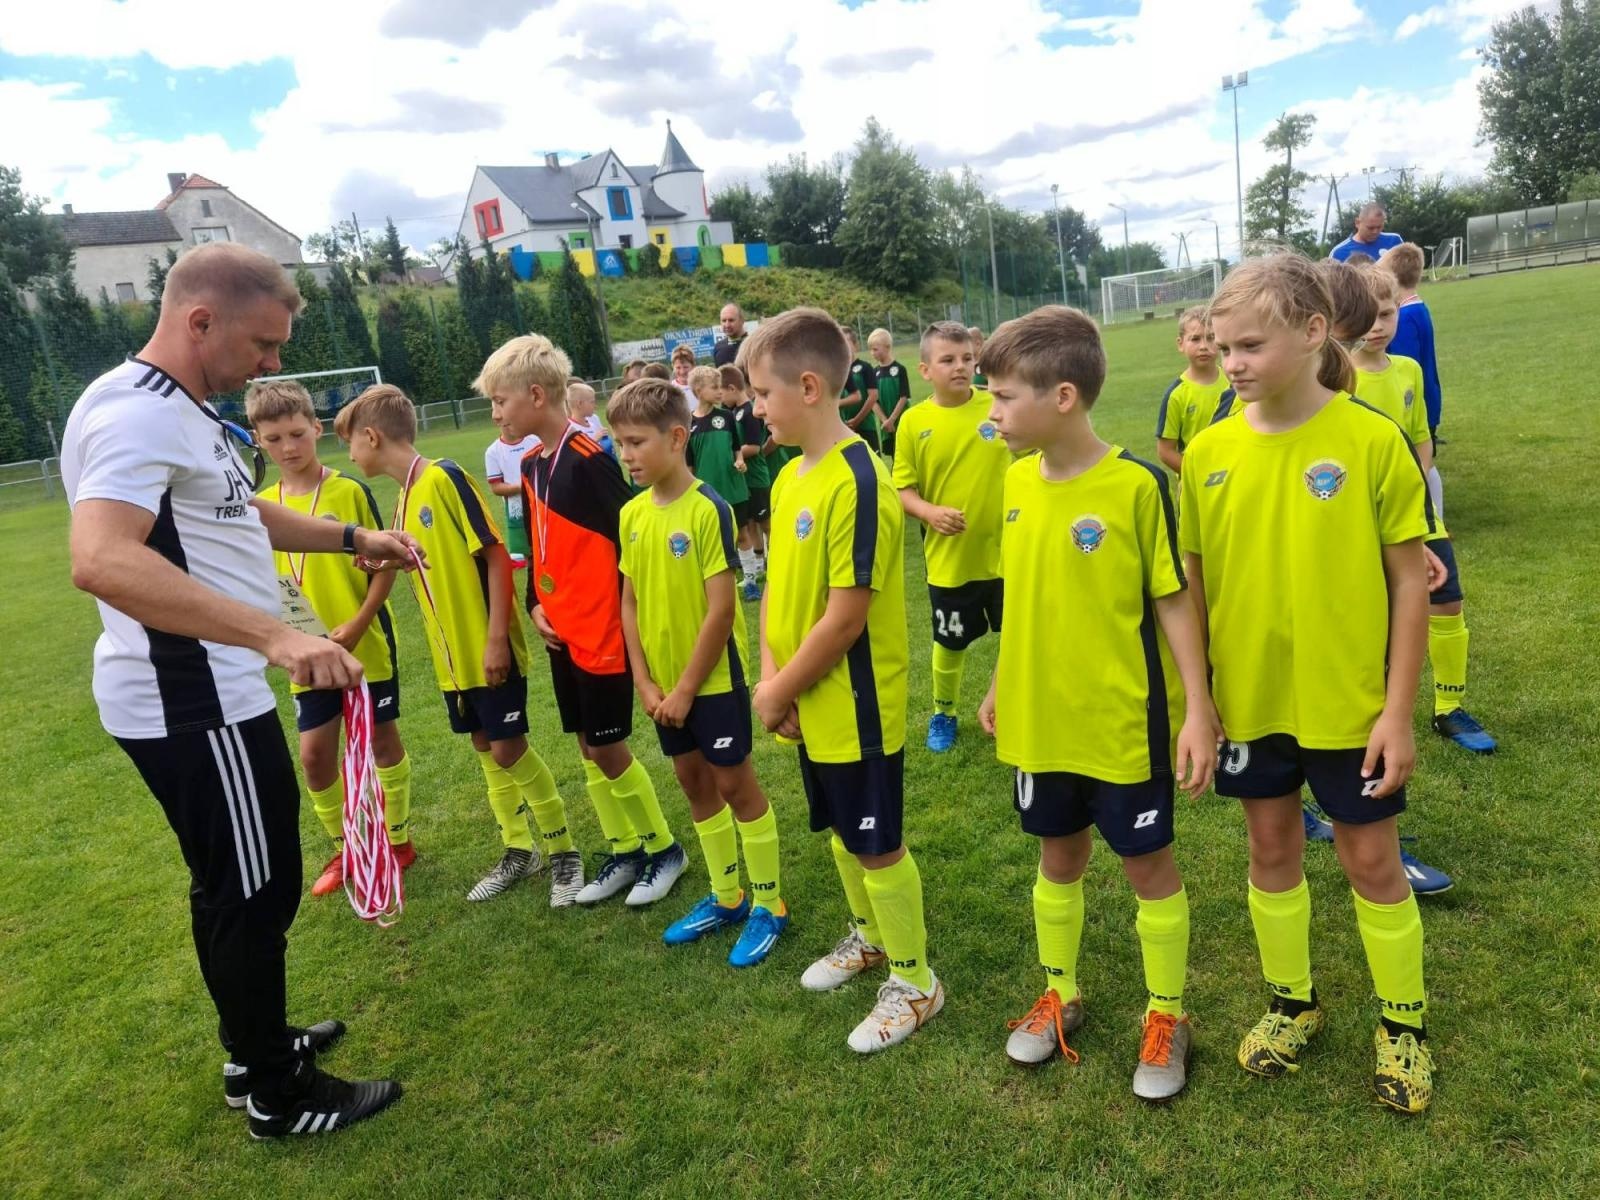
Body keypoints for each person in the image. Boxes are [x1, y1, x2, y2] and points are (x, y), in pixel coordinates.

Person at [62, 242, 409, 1139]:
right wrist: (278, 636)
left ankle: (253, 1049)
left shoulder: (184, 413)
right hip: (192, 700)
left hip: (216, 692)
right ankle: (274, 1094)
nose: (274, 364)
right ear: (199, 320)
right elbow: (101, 559)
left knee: (240, 884)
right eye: (263, 343)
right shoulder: (135, 414)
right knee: (253, 891)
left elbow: (236, 510)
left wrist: (348, 539)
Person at [1182, 254, 1436, 1114]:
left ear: (1314, 331)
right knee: (1270, 851)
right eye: (1223, 347)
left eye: (1250, 344)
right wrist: (1201, 703)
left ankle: (1404, 1024)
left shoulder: (1370, 440)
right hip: (1253, 706)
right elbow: (1195, 586)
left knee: (1371, 858)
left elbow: (1411, 581)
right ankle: (1293, 1002)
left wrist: (1398, 712)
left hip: (1351, 705)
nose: (1234, 362)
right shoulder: (1208, 454)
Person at [979, 306, 1218, 1100]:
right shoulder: (1015, 482)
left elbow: (1173, 602)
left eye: (1005, 397)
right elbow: (1024, 594)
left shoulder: (1135, 485)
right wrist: (1000, 680)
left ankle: (1168, 1014)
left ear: (1065, 396)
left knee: (1146, 864)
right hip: (1042, 719)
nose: (993, 413)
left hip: (1121, 718)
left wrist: (1198, 708)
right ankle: (1061, 993)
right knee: (1058, 856)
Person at [749, 307, 941, 1054]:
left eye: (762, 394)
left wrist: (774, 690)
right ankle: (867, 939)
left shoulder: (862, 478)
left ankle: (917, 980)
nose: (755, 409)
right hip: (805, 695)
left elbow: (847, 615)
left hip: (855, 700)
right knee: (837, 829)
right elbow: (775, 593)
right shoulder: (793, 475)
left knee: (876, 840)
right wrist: (776, 680)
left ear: (808, 387)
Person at [337, 385, 585, 906]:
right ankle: (519, 849)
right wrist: (381, 560)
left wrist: (497, 637)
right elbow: (424, 560)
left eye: (350, 443)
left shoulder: (444, 476)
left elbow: (495, 556)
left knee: (508, 746)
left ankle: (564, 851)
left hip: (485, 647)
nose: (349, 454)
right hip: (452, 662)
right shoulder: (404, 496)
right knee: (483, 746)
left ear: (372, 436)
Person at [481, 335, 690, 908]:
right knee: (584, 744)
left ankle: (664, 848)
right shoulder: (530, 462)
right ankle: (624, 848)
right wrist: (535, 604)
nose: (495, 414)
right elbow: (538, 546)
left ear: (537, 394)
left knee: (608, 745)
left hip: (601, 631)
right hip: (560, 629)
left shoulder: (590, 458)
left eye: (501, 402)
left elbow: (631, 540)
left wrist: (627, 615)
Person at [610, 377, 789, 966]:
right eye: (619, 442)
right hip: (662, 688)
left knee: (735, 784)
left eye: (636, 441)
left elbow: (721, 607)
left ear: (677, 437)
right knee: (693, 783)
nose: (627, 454)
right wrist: (644, 681)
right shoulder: (631, 514)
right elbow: (629, 601)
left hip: (709, 683)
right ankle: (726, 895)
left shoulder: (707, 507)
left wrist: (686, 687)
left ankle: (769, 903)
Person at [247, 380, 416, 899]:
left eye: (297, 433)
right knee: (316, 757)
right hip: (306, 655)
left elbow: (383, 562)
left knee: (382, 743)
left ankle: (399, 840)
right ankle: (347, 847)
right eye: (273, 439)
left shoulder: (347, 492)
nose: (288, 447)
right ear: (258, 441)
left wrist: (362, 621)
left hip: (362, 644)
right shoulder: (260, 506)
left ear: (317, 429)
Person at [1327, 265, 1496, 761]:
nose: (1379, 327)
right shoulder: (1337, 377)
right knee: (1374, 620)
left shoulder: (1408, 371)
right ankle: (1370, 714)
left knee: (1446, 600)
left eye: (1388, 314)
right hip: (1363, 516)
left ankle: (1449, 707)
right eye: (1370, 317)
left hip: (1416, 510)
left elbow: (1421, 439)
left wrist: (1414, 492)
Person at [891, 321, 1007, 753]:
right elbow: (902, 489)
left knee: (1016, 635)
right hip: (950, 558)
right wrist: (930, 512)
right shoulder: (913, 422)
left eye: (966, 358)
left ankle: (1009, 704)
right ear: (925, 369)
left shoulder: (997, 405)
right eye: (948, 360)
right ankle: (945, 711)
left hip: (1006, 553)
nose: (960, 367)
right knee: (949, 640)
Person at [1378, 242, 1445, 498]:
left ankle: (1432, 517)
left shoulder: (1404, 318)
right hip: (1428, 399)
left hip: (1415, 405)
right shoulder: (1419, 308)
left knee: (1423, 466)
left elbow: (1403, 367)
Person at [685, 364, 756, 598]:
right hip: (707, 492)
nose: (719, 391)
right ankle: (715, 583)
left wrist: (739, 461)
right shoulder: (689, 424)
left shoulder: (725, 417)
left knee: (742, 532)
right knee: (712, 538)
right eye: (714, 387)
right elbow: (689, 463)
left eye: (720, 387)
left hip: (733, 487)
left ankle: (751, 579)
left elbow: (736, 447)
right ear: (697, 390)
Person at [1155, 306, 1236, 475]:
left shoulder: (1234, 381)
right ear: (1180, 344)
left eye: (1211, 338)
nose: (1204, 346)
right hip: (1197, 484)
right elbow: (1165, 451)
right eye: (1195, 339)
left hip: (1235, 472)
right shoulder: (1177, 395)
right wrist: (1197, 474)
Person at [722, 362, 770, 600]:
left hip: (756, 476)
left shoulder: (749, 411)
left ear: (732, 388)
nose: (721, 398)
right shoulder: (733, 412)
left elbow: (754, 446)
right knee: (749, 523)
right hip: (743, 479)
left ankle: (776, 562)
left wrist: (730, 454)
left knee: (767, 523)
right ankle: (758, 565)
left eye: (722, 392)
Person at [484, 418, 540, 565]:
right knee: (529, 552)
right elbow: (496, 487)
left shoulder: (534, 440)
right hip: (518, 510)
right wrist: (522, 487)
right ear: (497, 421)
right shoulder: (493, 452)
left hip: (542, 502)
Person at [867, 328, 913, 459]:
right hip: (886, 424)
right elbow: (873, 401)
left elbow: (904, 397)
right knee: (894, 456)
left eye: (875, 349)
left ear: (887, 347)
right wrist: (885, 421)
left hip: (900, 420)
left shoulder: (899, 369)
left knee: (906, 454)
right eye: (870, 349)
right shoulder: (874, 372)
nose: (872, 353)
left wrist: (892, 419)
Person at [838, 327, 882, 453]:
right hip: (844, 428)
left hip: (865, 425)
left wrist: (857, 420)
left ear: (855, 345)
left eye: (847, 342)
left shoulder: (865, 367)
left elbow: (873, 396)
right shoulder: (838, 370)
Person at [1330, 202, 1403, 264]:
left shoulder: (1394, 241)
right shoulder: (1339, 252)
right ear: (1357, 223)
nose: (1375, 231)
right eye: (1370, 228)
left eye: (1379, 227)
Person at [568, 379, 612, 455]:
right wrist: (595, 440)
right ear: (580, 404)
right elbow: (574, 455)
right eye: (592, 402)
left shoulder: (593, 424)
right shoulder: (570, 429)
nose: (595, 406)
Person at [713, 302, 748, 367]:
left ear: (742, 321)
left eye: (731, 320)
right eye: (724, 321)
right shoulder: (718, 347)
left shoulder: (752, 345)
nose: (727, 325)